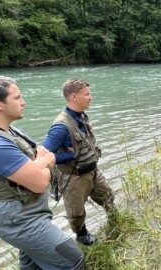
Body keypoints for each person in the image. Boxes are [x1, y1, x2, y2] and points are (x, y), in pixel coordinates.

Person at [0, 76, 86, 270]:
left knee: (33, 265)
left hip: (28, 212)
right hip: (19, 219)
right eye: (17, 97)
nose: (23, 102)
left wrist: (38, 162)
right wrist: (47, 160)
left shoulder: (8, 131)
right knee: (73, 260)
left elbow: (35, 161)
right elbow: (39, 183)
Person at [43, 78, 117, 246]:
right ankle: (82, 237)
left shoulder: (80, 116)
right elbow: (43, 155)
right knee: (76, 213)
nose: (91, 97)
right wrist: (68, 156)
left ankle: (114, 219)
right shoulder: (61, 126)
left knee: (107, 196)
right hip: (74, 178)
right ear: (74, 97)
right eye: (87, 94)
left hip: (93, 170)